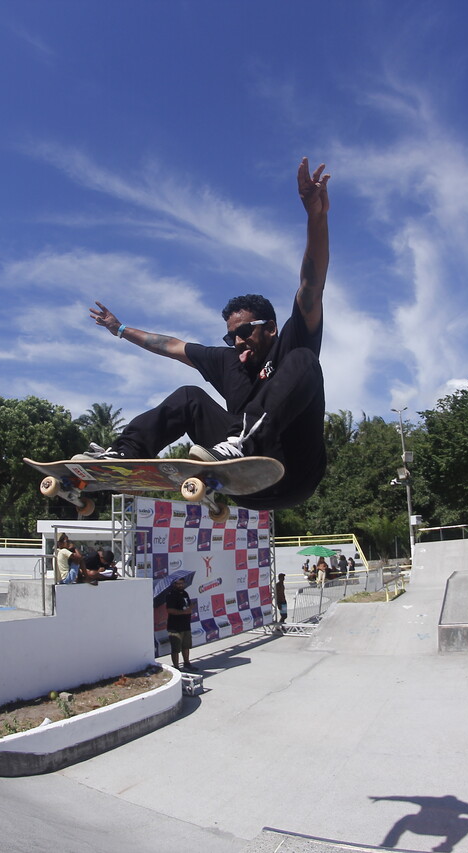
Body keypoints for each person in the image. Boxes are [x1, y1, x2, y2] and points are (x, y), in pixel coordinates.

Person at [76, 157, 331, 510]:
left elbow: (311, 285)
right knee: (188, 397)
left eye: (245, 331)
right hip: (248, 484)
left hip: (296, 472)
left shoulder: (290, 341)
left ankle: (241, 443)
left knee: (305, 361)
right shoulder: (227, 362)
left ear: (270, 327)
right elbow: (171, 346)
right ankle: (124, 453)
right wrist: (119, 329)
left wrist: (316, 216)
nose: (238, 341)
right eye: (232, 337)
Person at [164, 577, 197, 671]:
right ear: (174, 584)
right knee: (175, 648)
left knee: (186, 646)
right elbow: (169, 610)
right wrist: (184, 612)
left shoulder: (185, 593)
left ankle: (187, 663)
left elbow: (187, 607)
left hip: (185, 625)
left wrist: (190, 607)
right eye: (178, 584)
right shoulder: (171, 595)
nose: (180, 585)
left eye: (181, 583)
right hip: (174, 626)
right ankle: (176, 667)